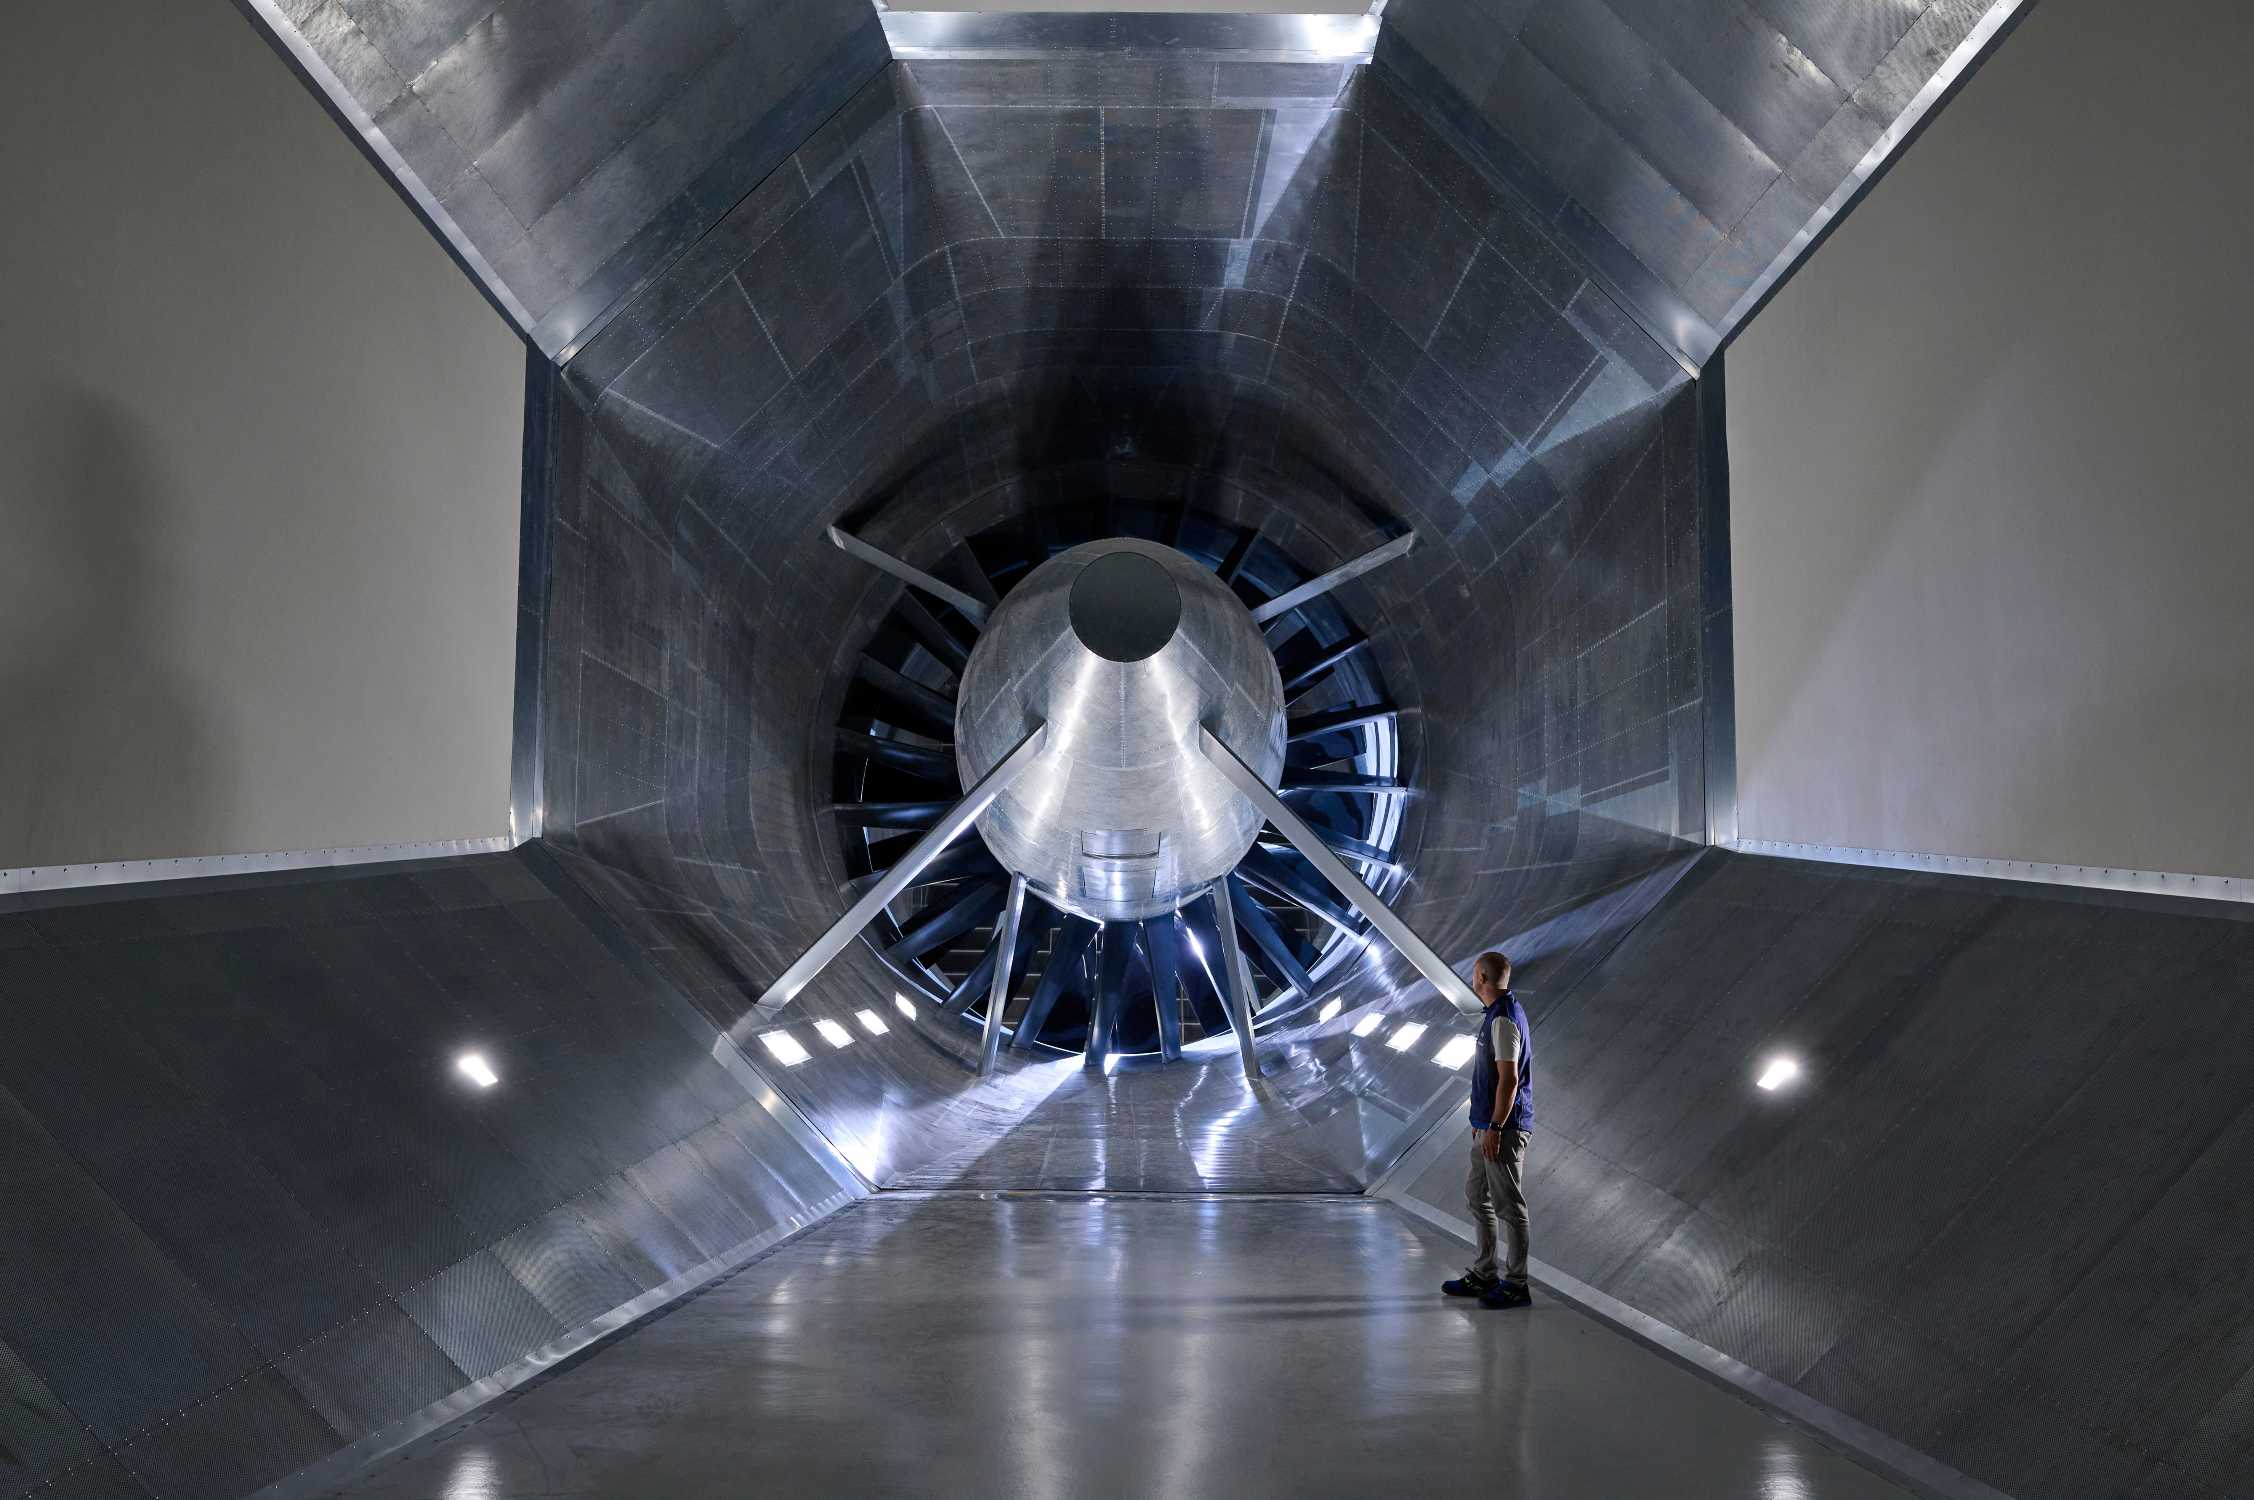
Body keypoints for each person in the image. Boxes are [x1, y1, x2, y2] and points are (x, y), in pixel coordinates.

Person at [1442, 951, 1533, 1309]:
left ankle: (1517, 1283)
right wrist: (1482, 1124)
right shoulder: (1496, 1015)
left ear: (1481, 976)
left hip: (1504, 1129)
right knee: (1476, 1196)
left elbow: (1509, 1081)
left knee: (1510, 1207)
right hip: (1488, 1127)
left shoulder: (1504, 1020)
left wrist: (1495, 1126)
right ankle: (1484, 1273)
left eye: (1473, 974)